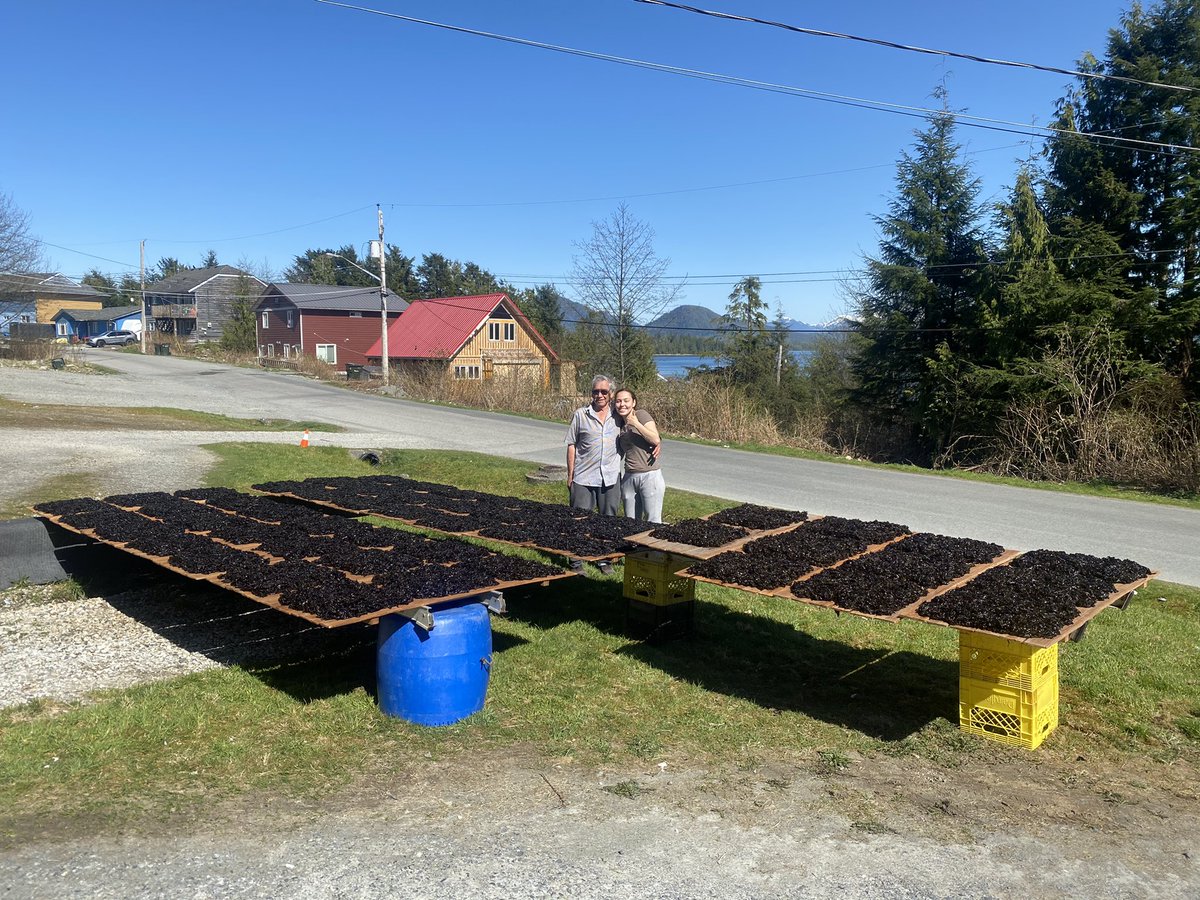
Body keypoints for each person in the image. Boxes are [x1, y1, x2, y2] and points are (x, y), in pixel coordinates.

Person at [564, 374, 621, 571]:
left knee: (607, 520)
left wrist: (657, 442)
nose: (600, 395)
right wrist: (570, 475)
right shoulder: (581, 414)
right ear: (591, 393)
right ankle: (576, 560)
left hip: (610, 477)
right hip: (583, 477)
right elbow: (571, 444)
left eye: (604, 391)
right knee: (579, 520)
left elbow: (639, 429)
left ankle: (603, 558)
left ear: (610, 394)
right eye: (596, 391)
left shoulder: (618, 416)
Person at [613, 387, 664, 524]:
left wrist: (635, 423)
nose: (622, 404)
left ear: (633, 402)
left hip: (649, 476)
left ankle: (651, 546)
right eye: (618, 401)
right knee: (630, 522)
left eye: (626, 400)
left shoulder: (641, 415)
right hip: (629, 477)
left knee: (652, 521)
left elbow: (655, 439)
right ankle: (632, 546)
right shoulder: (619, 424)